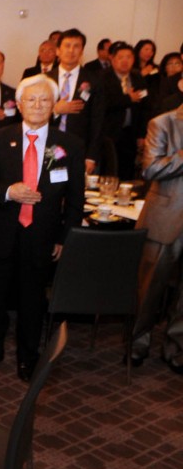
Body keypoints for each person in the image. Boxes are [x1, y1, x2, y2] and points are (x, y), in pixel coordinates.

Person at [0, 74, 85, 381]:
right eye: (31, 100)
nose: (37, 105)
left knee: (32, 301)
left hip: (43, 236)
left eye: (44, 100)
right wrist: (10, 191)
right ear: (19, 105)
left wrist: (66, 237)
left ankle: (28, 358)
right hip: (2, 232)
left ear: (54, 106)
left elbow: (77, 199)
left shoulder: (70, 145)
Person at [130, 102, 183, 371]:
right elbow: (151, 169)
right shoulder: (162, 123)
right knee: (149, 288)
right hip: (165, 218)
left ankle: (175, 348)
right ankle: (138, 343)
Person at [46, 28, 104, 174]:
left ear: (82, 51)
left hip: (79, 147)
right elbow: (32, 115)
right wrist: (55, 111)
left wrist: (91, 156)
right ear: (58, 50)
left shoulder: (94, 81)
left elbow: (98, 121)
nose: (71, 50)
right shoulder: (45, 80)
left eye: (76, 46)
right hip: (48, 144)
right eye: (67, 45)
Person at [101, 42, 148, 180]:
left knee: (127, 171)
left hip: (130, 133)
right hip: (108, 133)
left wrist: (142, 134)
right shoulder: (103, 78)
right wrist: (128, 99)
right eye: (121, 57)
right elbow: (104, 104)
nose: (125, 61)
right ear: (113, 59)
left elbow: (145, 106)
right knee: (108, 170)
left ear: (134, 60)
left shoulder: (138, 78)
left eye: (129, 57)